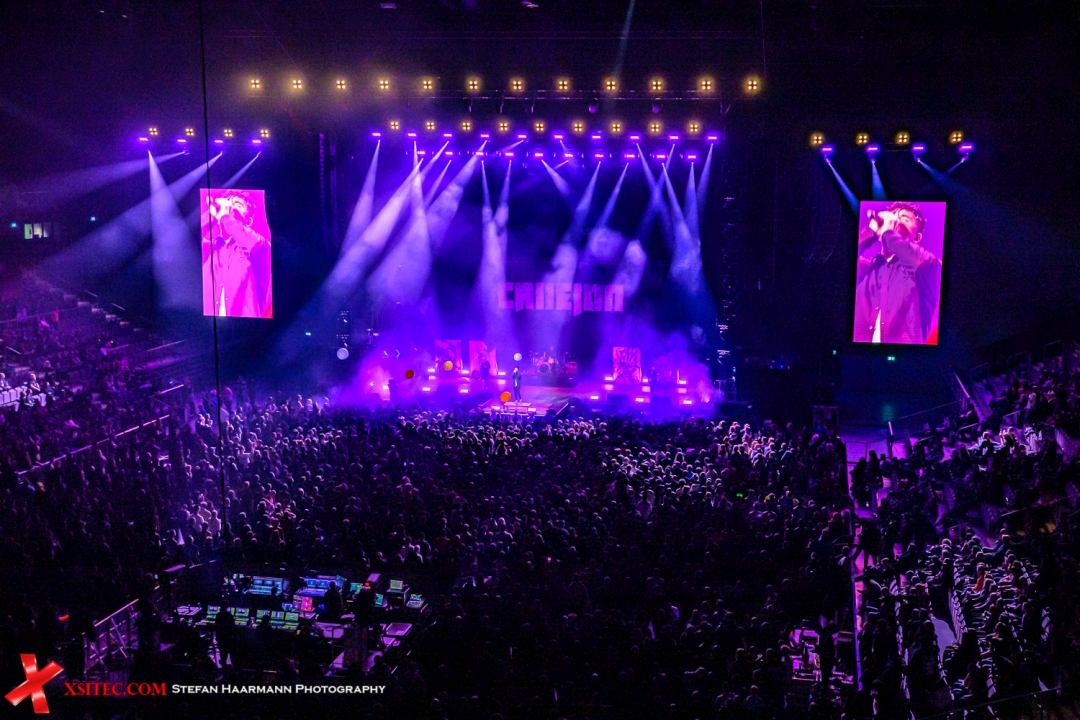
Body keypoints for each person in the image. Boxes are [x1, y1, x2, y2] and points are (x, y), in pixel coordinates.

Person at [854, 202, 942, 345]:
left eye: (904, 219)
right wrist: (870, 232)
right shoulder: (866, 268)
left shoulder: (930, 266)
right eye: (892, 217)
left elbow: (921, 262)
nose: (894, 221)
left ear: (917, 237)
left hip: (907, 356)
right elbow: (840, 258)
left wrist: (889, 233)